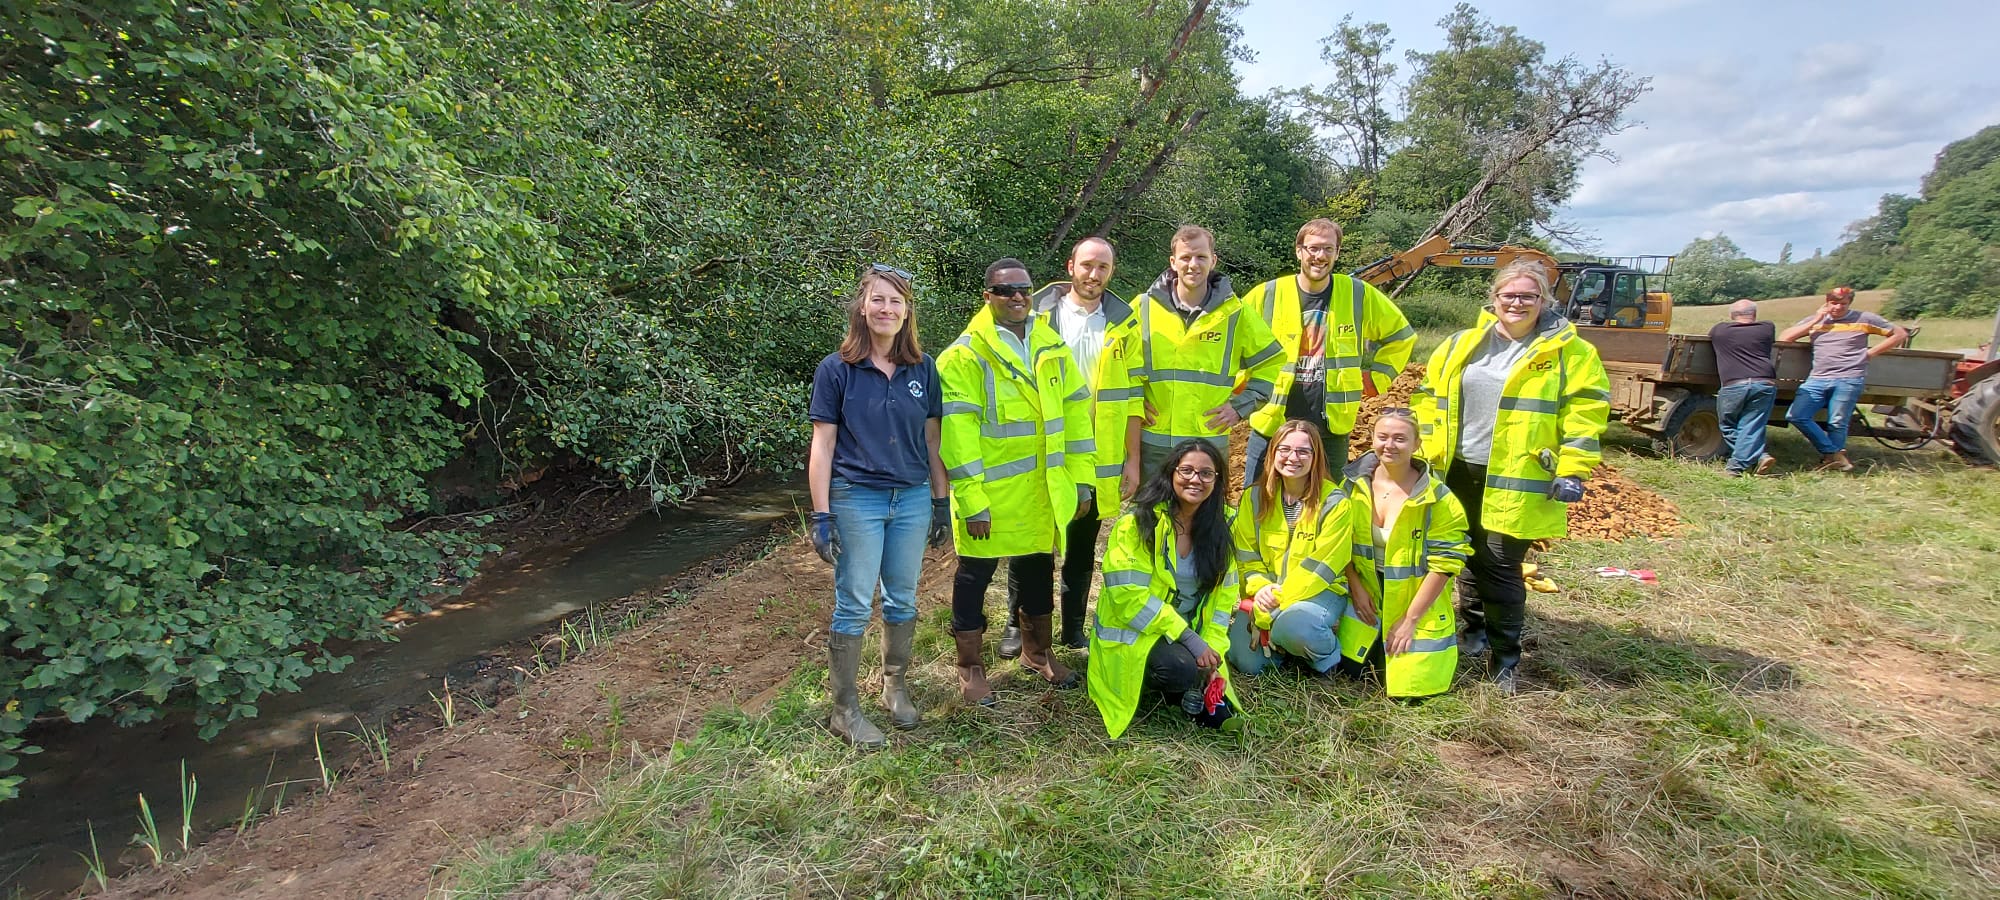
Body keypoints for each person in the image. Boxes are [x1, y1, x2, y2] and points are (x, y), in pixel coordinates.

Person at [1412, 261, 1611, 695]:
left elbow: (1586, 412)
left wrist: (1574, 468)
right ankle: (1473, 630)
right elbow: (1428, 398)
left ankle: (1505, 658)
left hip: (1518, 474)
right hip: (1458, 467)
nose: (1517, 303)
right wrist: (1424, 451)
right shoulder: (1463, 344)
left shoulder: (1567, 352)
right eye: (1509, 295)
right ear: (1494, 298)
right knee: (1464, 550)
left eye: (1528, 296)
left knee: (1500, 564)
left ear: (1544, 301)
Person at [938, 257, 1095, 706]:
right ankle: (970, 668)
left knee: (1036, 569)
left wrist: (1082, 480)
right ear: (987, 296)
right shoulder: (966, 355)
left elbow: (1075, 417)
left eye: (1023, 288)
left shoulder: (1051, 345)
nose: (1017, 297)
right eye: (1006, 290)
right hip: (989, 494)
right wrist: (972, 501)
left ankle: (1036, 653)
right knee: (975, 575)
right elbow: (958, 433)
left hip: (1041, 491)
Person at [806, 263, 951, 747]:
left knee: (903, 597)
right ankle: (844, 710)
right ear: (862, 307)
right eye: (878, 300)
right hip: (857, 499)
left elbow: (933, 441)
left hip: (910, 498)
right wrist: (821, 514)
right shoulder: (837, 370)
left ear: (907, 311)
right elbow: (822, 446)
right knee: (852, 604)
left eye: (896, 301)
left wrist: (939, 501)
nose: (887, 309)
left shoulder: (923, 368)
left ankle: (895, 687)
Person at [995, 237, 1143, 659]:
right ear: (1071, 266)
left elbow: (1133, 397)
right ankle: (1015, 625)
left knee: (1081, 546)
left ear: (1111, 272)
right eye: (1087, 265)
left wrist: (1131, 460)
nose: (1094, 275)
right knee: (1032, 542)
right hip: (1043, 451)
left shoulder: (1123, 323)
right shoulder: (1038, 314)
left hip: (1096, 454)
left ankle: (1073, 629)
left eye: (1103, 267)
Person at [1242, 219, 1415, 486]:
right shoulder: (1266, 294)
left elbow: (1402, 337)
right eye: (1312, 248)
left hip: (1331, 426)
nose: (1319, 256)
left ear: (1337, 253)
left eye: (1328, 249)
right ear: (1299, 251)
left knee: (1329, 503)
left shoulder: (1358, 294)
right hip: (1272, 422)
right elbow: (1233, 345)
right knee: (1255, 501)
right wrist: (1244, 386)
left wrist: (1377, 378)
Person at [1087, 439, 1242, 738]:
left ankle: (1193, 683)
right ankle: (1168, 682)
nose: (1195, 479)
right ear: (1170, 473)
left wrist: (1212, 650)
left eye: (1206, 473)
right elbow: (1128, 599)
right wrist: (1190, 639)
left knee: (1202, 676)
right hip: (1136, 634)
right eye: (1186, 471)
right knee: (1181, 669)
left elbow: (1222, 604)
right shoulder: (1137, 524)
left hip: (1187, 634)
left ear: (1217, 481)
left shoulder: (1221, 529)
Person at [1128, 225, 1284, 480]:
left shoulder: (1235, 313)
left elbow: (1272, 360)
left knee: (1202, 518)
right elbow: (1117, 364)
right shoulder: (1142, 308)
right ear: (1173, 261)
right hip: (1153, 443)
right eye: (1185, 257)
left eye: (1201, 257)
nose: (1193, 264)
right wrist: (1132, 402)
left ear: (1213, 260)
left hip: (1207, 443)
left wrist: (1241, 406)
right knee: (1150, 516)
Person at [1340, 410, 1470, 699]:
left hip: (1414, 597)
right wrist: (1356, 587)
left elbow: (1445, 564)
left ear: (1417, 444)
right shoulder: (1352, 486)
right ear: (1371, 439)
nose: (1390, 445)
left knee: (1409, 689)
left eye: (1400, 438)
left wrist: (1410, 620)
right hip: (1368, 592)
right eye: (1383, 437)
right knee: (1354, 670)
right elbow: (1339, 542)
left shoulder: (1439, 498)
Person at [1226, 418, 1362, 678]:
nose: (1293, 457)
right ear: (1273, 453)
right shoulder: (1254, 498)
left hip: (1319, 592)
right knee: (1246, 663)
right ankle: (1282, 645)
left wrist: (1275, 605)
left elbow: (1321, 569)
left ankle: (1326, 660)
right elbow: (1246, 556)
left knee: (1296, 626)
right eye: (1284, 449)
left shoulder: (1335, 503)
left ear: (1316, 457)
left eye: (1303, 451)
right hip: (1267, 594)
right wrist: (1261, 589)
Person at [1779, 286, 1908, 472]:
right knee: (1797, 415)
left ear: (1849, 303)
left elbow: (1900, 334)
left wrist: (1871, 353)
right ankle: (1835, 454)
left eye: (1843, 304)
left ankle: (1831, 461)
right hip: (1818, 377)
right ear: (1826, 302)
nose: (1838, 307)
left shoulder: (1864, 319)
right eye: (1834, 303)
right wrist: (1816, 319)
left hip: (1849, 377)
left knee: (1837, 421)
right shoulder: (1815, 320)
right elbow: (1785, 338)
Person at [1709, 299, 1778, 476]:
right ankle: (1760, 456)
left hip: (1734, 384)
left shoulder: (1720, 331)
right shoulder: (1767, 328)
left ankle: (1735, 467)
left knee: (1728, 425)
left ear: (1732, 315)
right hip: (1764, 382)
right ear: (1754, 314)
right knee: (1751, 425)